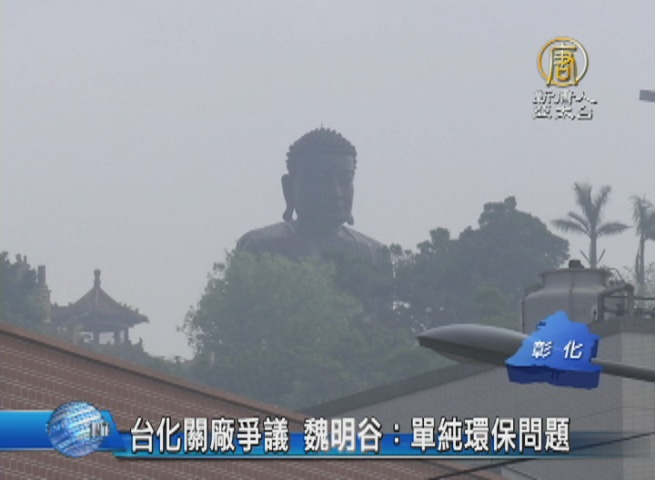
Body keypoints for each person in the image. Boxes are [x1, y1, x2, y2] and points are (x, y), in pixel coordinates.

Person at [237, 127, 392, 274]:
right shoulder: (260, 246)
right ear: (289, 187)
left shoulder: (376, 254)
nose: (336, 193)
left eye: (345, 180)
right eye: (319, 180)